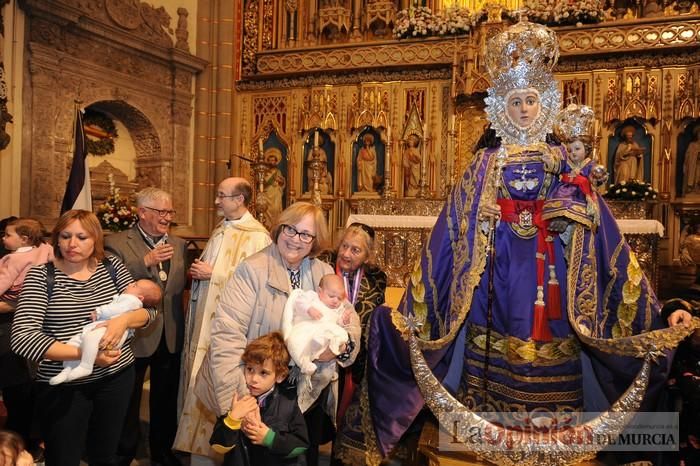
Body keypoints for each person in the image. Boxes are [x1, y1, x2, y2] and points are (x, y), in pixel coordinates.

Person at [360, 21, 695, 463]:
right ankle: (491, 422)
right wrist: (479, 219)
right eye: (514, 101)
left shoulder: (563, 159)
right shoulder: (484, 162)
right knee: (492, 342)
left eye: (531, 100)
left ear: (545, 104)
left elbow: (596, 221)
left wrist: (571, 213)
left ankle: (557, 424)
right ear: (501, 106)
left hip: (550, 272)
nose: (523, 109)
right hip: (496, 275)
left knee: (552, 339)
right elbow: (453, 225)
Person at [194, 202, 361, 466]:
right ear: (279, 228)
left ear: (315, 241)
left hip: (306, 394)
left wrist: (341, 347)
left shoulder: (323, 272)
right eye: (290, 230)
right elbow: (227, 338)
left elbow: (349, 319)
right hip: (258, 392)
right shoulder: (252, 269)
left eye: (306, 234)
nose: (296, 239)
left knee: (302, 456)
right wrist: (243, 405)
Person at [11, 209, 155, 465]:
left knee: (105, 454)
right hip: (63, 384)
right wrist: (86, 355)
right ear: (56, 238)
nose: (72, 244)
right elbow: (23, 337)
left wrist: (123, 321)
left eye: (82, 237)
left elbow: (149, 312)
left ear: (96, 239)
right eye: (65, 236)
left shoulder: (112, 266)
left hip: (116, 378)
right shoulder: (41, 275)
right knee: (64, 456)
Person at [174, 177, 271, 465]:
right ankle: (196, 453)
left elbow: (258, 289)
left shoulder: (258, 237)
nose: (216, 201)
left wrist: (213, 275)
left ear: (240, 199)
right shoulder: (220, 228)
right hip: (203, 326)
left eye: (221, 195)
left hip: (227, 336)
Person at [105, 188, 187, 466]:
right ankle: (124, 454)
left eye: (170, 212)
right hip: (134, 334)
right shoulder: (117, 242)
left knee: (165, 401)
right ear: (142, 212)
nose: (167, 217)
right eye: (161, 212)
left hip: (171, 334)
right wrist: (146, 261)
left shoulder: (180, 244)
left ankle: (163, 453)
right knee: (127, 401)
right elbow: (110, 280)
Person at [315, 223, 387, 465]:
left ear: (367, 255)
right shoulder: (323, 264)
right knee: (316, 412)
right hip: (320, 351)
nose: (346, 254)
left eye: (356, 250)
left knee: (347, 413)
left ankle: (340, 457)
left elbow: (375, 317)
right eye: (344, 246)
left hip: (355, 357)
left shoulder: (377, 277)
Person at [209, 332, 309, 466]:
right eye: (250, 369)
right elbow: (217, 446)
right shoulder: (235, 401)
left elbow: (301, 446)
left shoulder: (288, 404)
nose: (254, 379)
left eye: (263, 373)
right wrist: (233, 419)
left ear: (280, 376)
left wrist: (270, 438)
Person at [49, 279, 162, 385]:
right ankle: (66, 371)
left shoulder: (132, 300)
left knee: (90, 339)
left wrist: (99, 311)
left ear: (140, 298)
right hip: (101, 329)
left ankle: (86, 366)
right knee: (74, 342)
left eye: (135, 285)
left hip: (109, 333)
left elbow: (116, 310)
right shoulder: (127, 297)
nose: (129, 284)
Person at [282, 274, 357, 412]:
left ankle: (323, 348)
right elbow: (298, 302)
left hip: (324, 337)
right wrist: (309, 309)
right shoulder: (312, 297)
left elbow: (339, 324)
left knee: (339, 334)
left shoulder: (337, 308)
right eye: (331, 296)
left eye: (339, 298)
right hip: (306, 329)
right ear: (320, 291)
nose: (335, 301)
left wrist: (344, 320)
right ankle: (305, 363)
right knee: (297, 342)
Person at [0, 218, 54, 306]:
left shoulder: (13, 259)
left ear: (24, 239)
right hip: (37, 291)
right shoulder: (45, 246)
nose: (3, 238)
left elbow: (4, 280)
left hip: (16, 294)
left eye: (7, 235)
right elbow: (55, 259)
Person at [262, 149, 286, 228]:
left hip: (276, 194)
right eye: (270, 160)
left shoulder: (278, 171)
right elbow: (263, 183)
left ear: (276, 162)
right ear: (267, 161)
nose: (272, 162)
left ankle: (275, 226)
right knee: (266, 209)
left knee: (276, 209)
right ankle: (267, 226)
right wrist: (270, 180)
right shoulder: (265, 172)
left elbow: (282, 182)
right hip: (267, 193)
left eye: (273, 160)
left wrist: (281, 181)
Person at [683, 125, 700, 195]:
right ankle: (692, 188)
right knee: (695, 176)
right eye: (699, 133)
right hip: (694, 166)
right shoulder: (692, 145)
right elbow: (687, 156)